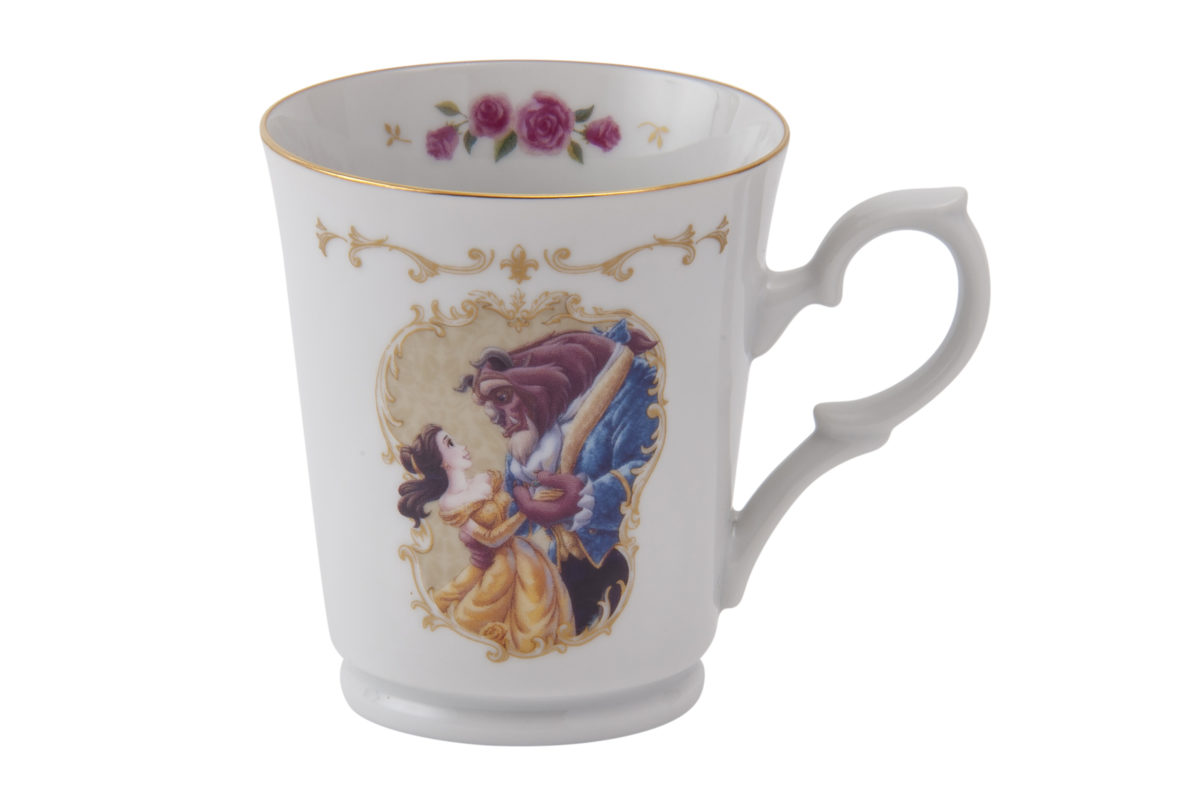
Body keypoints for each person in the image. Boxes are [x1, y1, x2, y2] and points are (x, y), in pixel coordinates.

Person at [456, 320, 660, 633]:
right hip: (564, 567)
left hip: (628, 562)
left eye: (503, 399)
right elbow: (517, 507)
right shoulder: (531, 433)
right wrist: (482, 526)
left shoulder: (633, 387)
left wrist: (589, 499)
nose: (498, 419)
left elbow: (649, 470)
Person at [396, 424, 574, 654]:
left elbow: (514, 502)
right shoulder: (452, 503)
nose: (462, 447)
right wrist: (526, 509)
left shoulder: (484, 479)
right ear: (442, 462)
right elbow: (491, 539)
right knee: (495, 622)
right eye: (451, 444)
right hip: (496, 567)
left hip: (525, 556)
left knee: (540, 604)